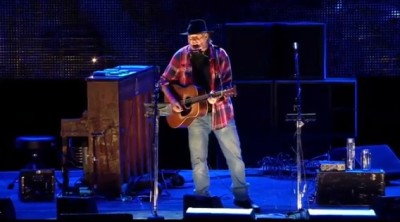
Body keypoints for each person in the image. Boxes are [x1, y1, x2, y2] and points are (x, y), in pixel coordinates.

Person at [159, 19, 260, 213]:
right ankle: (201, 198)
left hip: (221, 114)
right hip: (196, 116)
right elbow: (164, 81)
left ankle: (242, 198)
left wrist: (218, 98)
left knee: (235, 157)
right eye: (191, 38)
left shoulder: (220, 55)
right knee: (198, 159)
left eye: (197, 37)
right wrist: (173, 101)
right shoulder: (181, 56)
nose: (194, 41)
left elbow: (228, 84)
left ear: (206, 37)